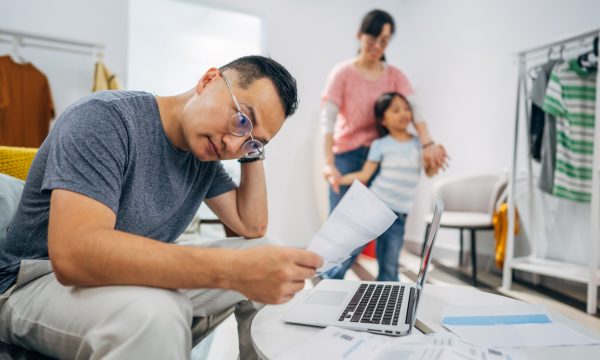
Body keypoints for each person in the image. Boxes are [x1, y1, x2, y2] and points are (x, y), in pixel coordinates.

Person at [0, 55, 323, 359]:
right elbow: (74, 255)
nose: (232, 145)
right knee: (155, 311)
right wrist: (230, 269)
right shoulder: (106, 118)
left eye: (251, 143)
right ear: (209, 80)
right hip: (34, 281)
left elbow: (251, 227)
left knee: (270, 253)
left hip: (126, 277)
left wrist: (255, 149)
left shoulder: (203, 156)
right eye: (241, 120)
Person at [320, 9, 447, 279]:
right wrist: (329, 165)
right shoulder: (342, 73)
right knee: (345, 228)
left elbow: (416, 110)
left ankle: (387, 284)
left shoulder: (395, 75)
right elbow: (327, 121)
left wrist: (428, 145)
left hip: (383, 155)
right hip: (347, 155)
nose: (378, 46)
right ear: (360, 35)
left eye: (385, 41)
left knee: (387, 225)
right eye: (373, 39)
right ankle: (330, 284)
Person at [333, 92, 437, 281]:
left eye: (406, 109)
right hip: (374, 205)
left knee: (389, 266)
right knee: (349, 253)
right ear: (383, 120)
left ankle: (386, 295)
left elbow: (429, 173)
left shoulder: (419, 144)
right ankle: (329, 282)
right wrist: (338, 179)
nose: (403, 113)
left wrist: (435, 162)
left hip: (398, 214)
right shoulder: (380, 144)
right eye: (396, 110)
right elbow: (365, 174)